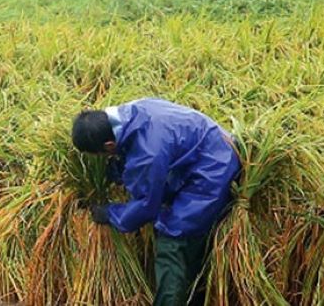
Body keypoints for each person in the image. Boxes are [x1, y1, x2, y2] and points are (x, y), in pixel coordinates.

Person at [71, 98, 240, 306]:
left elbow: (147, 206)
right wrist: (122, 167)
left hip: (214, 167)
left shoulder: (148, 153)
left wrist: (110, 214)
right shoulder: (132, 111)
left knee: (174, 237)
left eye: (99, 155)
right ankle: (195, 293)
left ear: (109, 145)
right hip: (201, 150)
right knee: (175, 221)